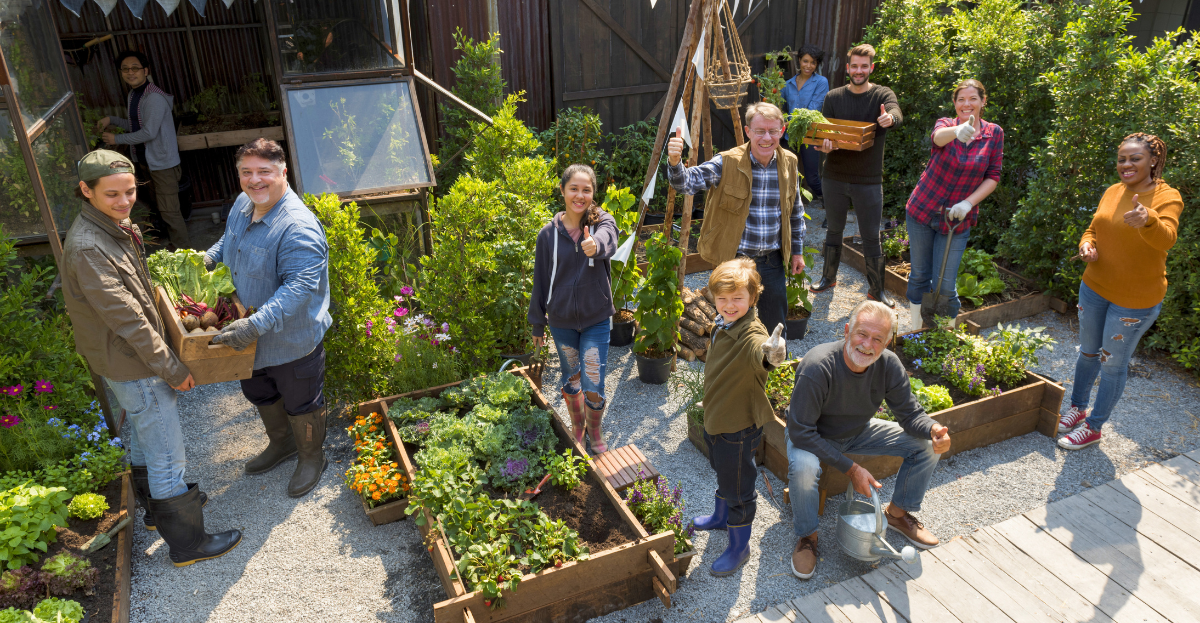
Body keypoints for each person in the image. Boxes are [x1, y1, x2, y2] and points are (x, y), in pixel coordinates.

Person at [61, 149, 240, 567]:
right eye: (112, 195)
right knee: (166, 452)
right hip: (134, 363)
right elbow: (129, 322)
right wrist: (173, 368)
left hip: (123, 361)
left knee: (143, 437)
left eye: (129, 192)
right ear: (86, 191)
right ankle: (189, 545)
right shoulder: (89, 247)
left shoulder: (108, 226)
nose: (125, 203)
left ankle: (160, 514)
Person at [205, 138, 333, 497]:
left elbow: (298, 289)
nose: (254, 180)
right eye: (246, 172)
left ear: (283, 172)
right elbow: (229, 241)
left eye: (264, 171)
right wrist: (207, 259)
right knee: (259, 392)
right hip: (248, 337)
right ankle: (282, 444)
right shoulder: (244, 203)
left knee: (301, 403)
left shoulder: (297, 227)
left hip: (290, 341)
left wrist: (253, 326)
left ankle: (311, 457)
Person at [786, 300, 951, 579]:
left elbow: (910, 414)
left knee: (924, 446)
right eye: (862, 334)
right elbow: (800, 431)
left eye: (877, 339)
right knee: (804, 469)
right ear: (847, 330)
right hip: (813, 437)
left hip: (857, 432)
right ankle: (807, 537)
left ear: (887, 343)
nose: (867, 344)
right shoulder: (818, 366)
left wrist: (934, 429)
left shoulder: (888, 365)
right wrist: (851, 469)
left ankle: (896, 515)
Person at [1057, 133, 1182, 450]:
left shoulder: (1167, 197)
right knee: (1087, 353)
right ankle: (1077, 408)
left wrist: (1148, 219)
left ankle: (1094, 427)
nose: (1126, 165)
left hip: (1134, 302)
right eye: (1122, 159)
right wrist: (1087, 244)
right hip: (1094, 289)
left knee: (1112, 363)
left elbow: (1167, 238)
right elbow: (1094, 228)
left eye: (1135, 158)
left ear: (1153, 160)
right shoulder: (1114, 191)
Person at [666, 101, 807, 340]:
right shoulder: (727, 162)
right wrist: (674, 161)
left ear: (782, 132)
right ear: (748, 131)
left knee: (775, 330)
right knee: (733, 326)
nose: (766, 137)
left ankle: (772, 374)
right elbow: (686, 183)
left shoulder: (789, 163)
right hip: (735, 260)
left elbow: (795, 211)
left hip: (771, 261)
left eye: (773, 131)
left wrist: (797, 251)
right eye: (760, 131)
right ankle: (732, 373)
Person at [691, 258, 788, 576]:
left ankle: (739, 547)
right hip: (717, 417)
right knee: (723, 473)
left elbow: (760, 351)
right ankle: (721, 517)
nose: (729, 305)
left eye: (738, 299)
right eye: (722, 299)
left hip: (738, 428)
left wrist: (772, 354)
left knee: (740, 489)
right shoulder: (723, 324)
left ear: (753, 299)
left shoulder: (750, 333)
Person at [529, 164, 619, 454]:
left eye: (586, 190)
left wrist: (596, 245)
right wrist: (537, 324)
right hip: (562, 321)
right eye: (574, 189)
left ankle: (595, 429)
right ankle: (578, 428)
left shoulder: (600, 223)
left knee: (593, 383)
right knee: (572, 380)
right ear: (563, 191)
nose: (580, 196)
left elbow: (610, 236)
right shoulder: (547, 235)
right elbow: (540, 282)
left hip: (596, 319)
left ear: (593, 193)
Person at [903, 80, 1003, 328]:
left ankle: (944, 336)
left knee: (945, 284)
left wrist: (968, 203)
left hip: (958, 220)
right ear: (954, 103)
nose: (966, 104)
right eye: (961, 99)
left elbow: (993, 176)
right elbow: (937, 139)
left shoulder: (994, 134)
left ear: (983, 101)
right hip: (922, 211)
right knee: (919, 277)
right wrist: (957, 132)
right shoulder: (947, 125)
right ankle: (916, 330)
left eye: (973, 99)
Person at [810, 44, 903, 308]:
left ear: (871, 68)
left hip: (868, 180)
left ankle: (877, 290)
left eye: (864, 66)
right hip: (835, 177)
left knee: (871, 235)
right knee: (834, 232)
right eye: (855, 66)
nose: (859, 71)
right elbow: (826, 133)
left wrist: (891, 120)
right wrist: (824, 144)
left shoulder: (882, 95)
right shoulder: (834, 97)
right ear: (847, 68)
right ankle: (828, 278)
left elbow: (896, 112)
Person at [97, 51, 189, 250]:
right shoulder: (134, 94)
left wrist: (116, 139)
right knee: (159, 207)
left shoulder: (153, 98)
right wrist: (111, 120)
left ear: (145, 71)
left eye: (135, 68)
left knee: (170, 211)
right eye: (125, 69)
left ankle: (184, 252)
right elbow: (135, 124)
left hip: (163, 164)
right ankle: (174, 245)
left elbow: (148, 132)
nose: (131, 72)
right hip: (148, 162)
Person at [780, 45, 829, 205]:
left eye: (813, 62)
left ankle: (829, 201)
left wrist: (789, 121)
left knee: (812, 177)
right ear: (799, 60)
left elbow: (812, 109)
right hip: (789, 135)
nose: (808, 65)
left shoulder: (821, 82)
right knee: (787, 173)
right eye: (805, 61)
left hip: (810, 135)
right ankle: (792, 205)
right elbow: (782, 108)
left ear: (817, 65)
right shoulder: (787, 84)